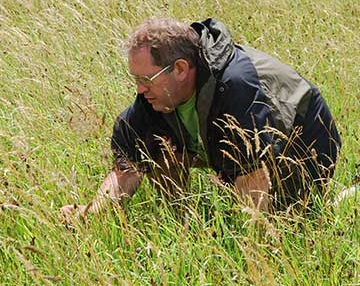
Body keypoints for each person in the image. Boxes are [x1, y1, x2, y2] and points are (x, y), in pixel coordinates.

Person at [60, 17, 341, 221]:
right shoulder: (156, 96)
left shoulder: (234, 86)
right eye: (136, 79)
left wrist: (251, 254)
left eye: (146, 79)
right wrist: (88, 215)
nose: (139, 89)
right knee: (156, 143)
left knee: (300, 220)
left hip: (305, 141)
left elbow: (253, 177)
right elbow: (126, 170)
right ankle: (181, 219)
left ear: (181, 69)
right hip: (241, 148)